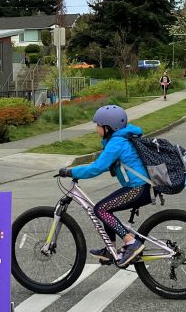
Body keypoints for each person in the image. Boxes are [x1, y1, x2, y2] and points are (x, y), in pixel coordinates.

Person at [57, 105, 149, 268]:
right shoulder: (119, 140)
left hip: (137, 188)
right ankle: (110, 249)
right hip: (139, 187)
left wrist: (71, 172)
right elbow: (106, 165)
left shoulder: (116, 143)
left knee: (101, 209)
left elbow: (97, 168)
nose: (96, 129)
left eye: (98, 125)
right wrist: (79, 171)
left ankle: (132, 243)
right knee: (106, 208)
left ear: (108, 127)